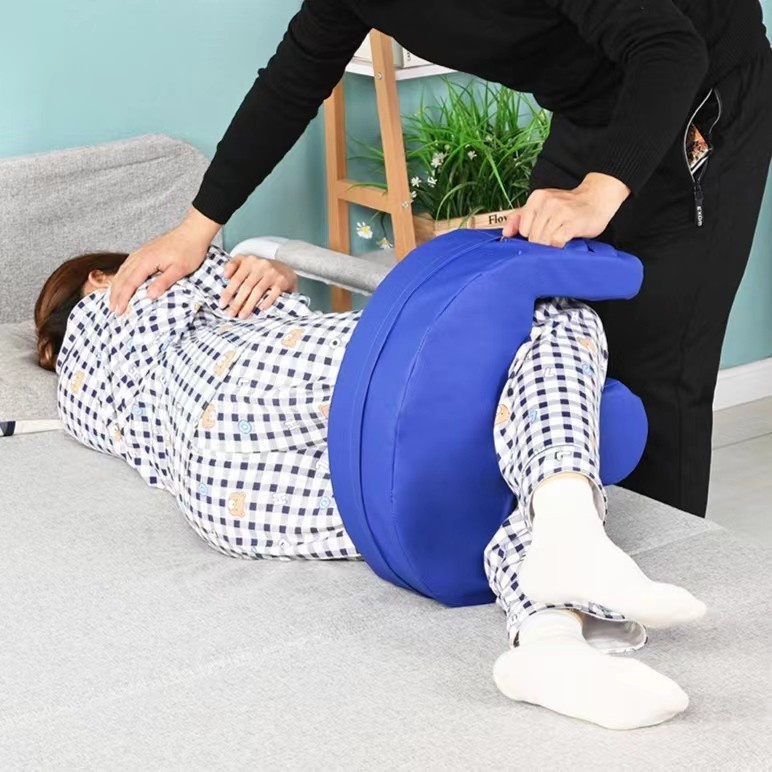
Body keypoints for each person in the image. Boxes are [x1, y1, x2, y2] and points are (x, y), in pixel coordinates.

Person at [107, 0, 772, 518]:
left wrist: (600, 190)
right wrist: (197, 227)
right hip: (593, 105)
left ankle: (667, 584)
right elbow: (293, 79)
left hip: (700, 97)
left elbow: (669, 48)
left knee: (658, 370)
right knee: (543, 337)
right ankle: (566, 542)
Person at [37, 245, 706, 730]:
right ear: (101, 276)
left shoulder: (78, 398)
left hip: (224, 496)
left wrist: (263, 275)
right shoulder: (137, 289)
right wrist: (256, 270)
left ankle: (550, 643)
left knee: (466, 485)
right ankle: (568, 519)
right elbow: (254, 295)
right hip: (241, 375)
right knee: (552, 314)